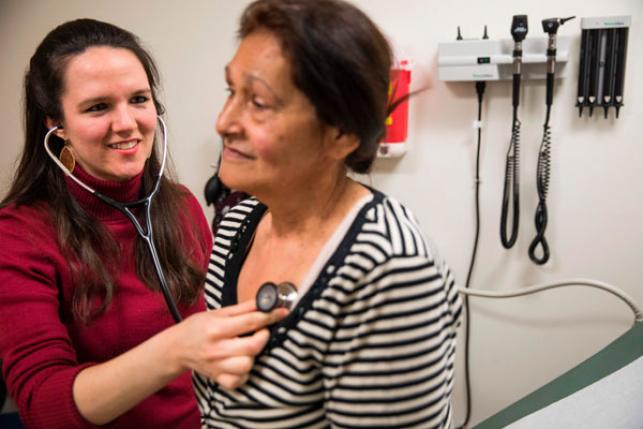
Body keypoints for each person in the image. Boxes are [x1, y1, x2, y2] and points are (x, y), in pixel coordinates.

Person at [0, 19, 286, 429]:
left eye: (138, 99)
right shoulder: (18, 234)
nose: (127, 123)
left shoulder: (182, 205)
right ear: (55, 125)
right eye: (98, 107)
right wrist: (175, 350)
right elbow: (43, 406)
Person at [193, 1, 463, 428]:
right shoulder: (236, 226)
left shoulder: (389, 272)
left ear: (340, 135)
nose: (224, 122)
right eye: (231, 92)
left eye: (259, 102)